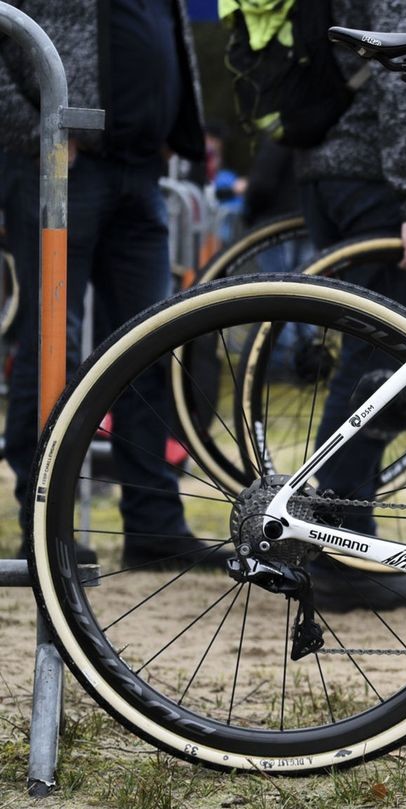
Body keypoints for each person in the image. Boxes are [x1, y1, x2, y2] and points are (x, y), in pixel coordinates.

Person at [0, 0, 210, 567]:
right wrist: (39, 128)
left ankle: (154, 526)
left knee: (151, 344)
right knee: (51, 342)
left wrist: (173, 128)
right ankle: (45, 525)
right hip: (58, 158)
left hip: (138, 168)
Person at [294, 0, 406, 610]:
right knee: (384, 362)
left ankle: (340, 538)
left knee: (375, 359)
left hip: (352, 173)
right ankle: (343, 551)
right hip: (379, 181)